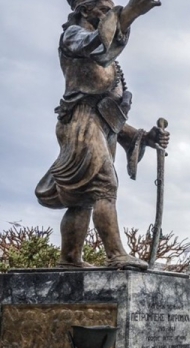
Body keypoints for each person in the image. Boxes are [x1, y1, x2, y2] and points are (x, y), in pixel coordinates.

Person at [36, 0, 169, 269]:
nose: (110, 12)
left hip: (99, 126)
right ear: (86, 10)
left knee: (83, 197)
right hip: (81, 123)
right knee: (103, 187)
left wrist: (145, 136)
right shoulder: (73, 36)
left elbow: (109, 113)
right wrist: (130, 14)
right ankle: (116, 254)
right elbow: (98, 46)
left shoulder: (108, 62)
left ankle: (70, 259)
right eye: (104, 9)